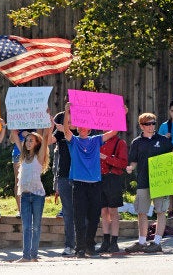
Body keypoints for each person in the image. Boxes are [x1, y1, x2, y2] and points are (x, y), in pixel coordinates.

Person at [62, 103, 118, 258]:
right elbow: (66, 130)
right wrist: (67, 112)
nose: (82, 128)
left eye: (85, 126)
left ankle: (89, 246)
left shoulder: (96, 140)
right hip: (79, 185)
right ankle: (80, 248)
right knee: (79, 217)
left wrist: (121, 114)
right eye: (80, 126)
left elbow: (114, 131)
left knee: (94, 217)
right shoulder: (74, 141)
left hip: (95, 185)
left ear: (90, 128)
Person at [125, 113, 173, 253]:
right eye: (148, 124)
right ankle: (142, 242)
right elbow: (133, 160)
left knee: (161, 211)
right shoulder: (136, 142)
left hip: (160, 183)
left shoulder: (162, 140)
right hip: (143, 181)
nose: (151, 126)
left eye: (153, 123)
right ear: (141, 126)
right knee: (141, 212)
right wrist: (131, 167)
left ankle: (157, 243)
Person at [10, 124, 52, 262]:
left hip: (37, 195)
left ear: (36, 144)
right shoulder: (22, 156)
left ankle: (34, 255)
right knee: (26, 226)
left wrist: (49, 125)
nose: (28, 143)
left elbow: (45, 137)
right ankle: (26, 256)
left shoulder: (39, 157)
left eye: (31, 141)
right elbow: (15, 135)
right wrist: (12, 121)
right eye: (27, 140)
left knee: (36, 226)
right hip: (25, 196)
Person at [96, 133, 128, 253]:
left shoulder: (120, 143)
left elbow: (123, 164)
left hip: (113, 178)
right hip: (99, 178)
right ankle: (105, 242)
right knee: (103, 211)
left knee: (113, 211)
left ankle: (114, 242)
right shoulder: (98, 141)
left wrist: (106, 158)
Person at [52, 110, 77, 256]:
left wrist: (67, 129)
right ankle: (69, 246)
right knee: (67, 212)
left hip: (81, 176)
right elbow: (48, 140)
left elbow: (76, 131)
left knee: (82, 211)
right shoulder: (59, 131)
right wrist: (49, 127)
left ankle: (84, 244)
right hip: (64, 175)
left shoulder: (83, 129)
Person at [10, 129, 35, 219]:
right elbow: (11, 140)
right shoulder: (17, 120)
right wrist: (15, 132)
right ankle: (20, 211)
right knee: (18, 181)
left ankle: (31, 210)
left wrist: (28, 135)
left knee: (32, 182)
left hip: (33, 154)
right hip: (18, 154)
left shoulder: (36, 119)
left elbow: (41, 138)